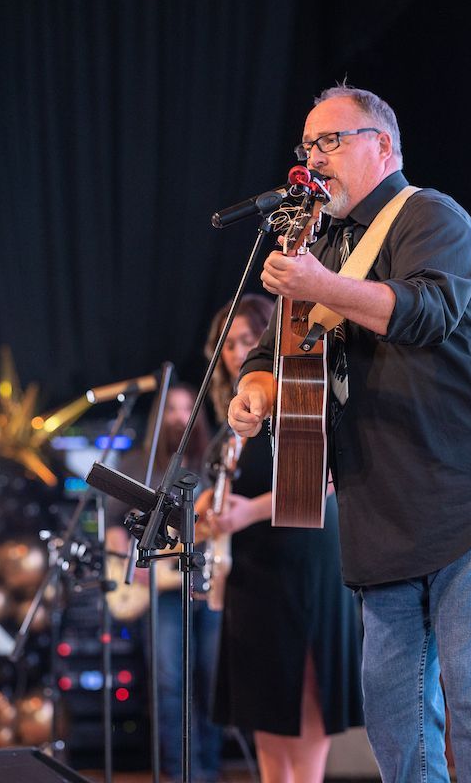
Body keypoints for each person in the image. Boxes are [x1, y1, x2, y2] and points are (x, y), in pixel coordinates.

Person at [228, 85, 471, 782]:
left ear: (382, 146)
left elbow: (427, 311)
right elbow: (274, 354)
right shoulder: (319, 244)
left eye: (331, 141)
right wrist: (255, 392)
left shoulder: (431, 215)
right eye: (307, 146)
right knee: (394, 719)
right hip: (381, 513)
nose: (314, 159)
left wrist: (320, 283)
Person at [199, 293, 363, 783]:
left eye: (248, 341)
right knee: (261, 691)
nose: (235, 353)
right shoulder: (228, 420)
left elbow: (322, 480)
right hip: (253, 566)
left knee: (309, 681)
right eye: (228, 344)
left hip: (304, 551)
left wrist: (247, 511)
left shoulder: (300, 392)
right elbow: (225, 484)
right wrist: (213, 506)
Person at [105, 383, 222, 783]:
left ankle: (210, 770)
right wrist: (128, 561)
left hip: (208, 588)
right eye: (172, 408)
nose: (179, 417)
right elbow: (113, 524)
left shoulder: (212, 463)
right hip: (162, 592)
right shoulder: (139, 464)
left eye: (187, 408)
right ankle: (182, 773)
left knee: (212, 683)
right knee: (171, 685)